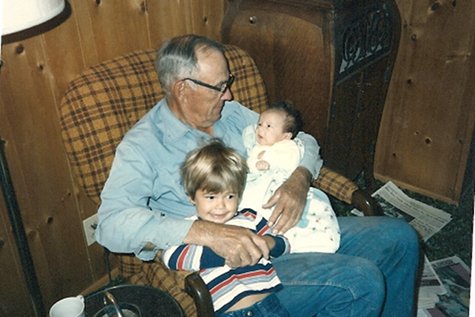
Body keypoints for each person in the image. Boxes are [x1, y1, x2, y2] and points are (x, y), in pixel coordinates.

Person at [96, 34, 420, 316]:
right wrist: (207, 233)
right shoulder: (144, 145)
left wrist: (299, 179)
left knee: (399, 238)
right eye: (221, 87)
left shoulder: (230, 114)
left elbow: (299, 139)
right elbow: (111, 224)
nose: (230, 95)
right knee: (360, 281)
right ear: (183, 89)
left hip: (286, 227)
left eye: (229, 83)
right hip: (241, 265)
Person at [162, 138, 290, 316]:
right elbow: (170, 256)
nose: (221, 206)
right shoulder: (192, 228)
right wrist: (227, 253)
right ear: (192, 196)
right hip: (231, 312)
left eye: (230, 196)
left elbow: (284, 244)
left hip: (271, 304)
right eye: (211, 197)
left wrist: (267, 243)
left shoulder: (249, 217)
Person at [240, 100, 340, 253]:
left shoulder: (288, 146)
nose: (260, 128)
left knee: (313, 211)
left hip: (284, 183)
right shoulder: (256, 147)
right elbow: (251, 163)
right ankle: (281, 239)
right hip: (261, 189)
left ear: (285, 136)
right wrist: (256, 164)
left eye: (268, 126)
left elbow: (292, 160)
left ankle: (316, 239)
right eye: (260, 124)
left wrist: (269, 162)